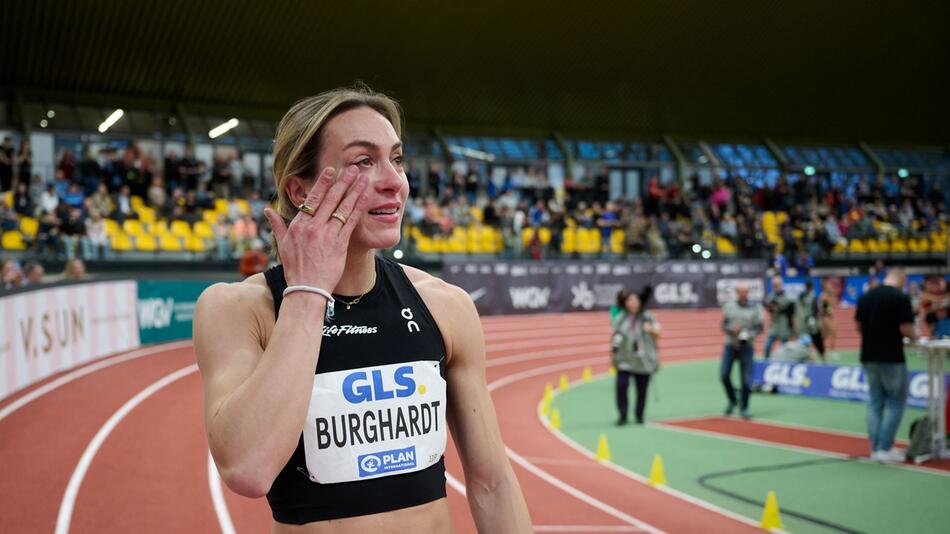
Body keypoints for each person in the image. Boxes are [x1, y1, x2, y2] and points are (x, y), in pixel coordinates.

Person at [193, 87, 531, 533]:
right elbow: (247, 469)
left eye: (397, 159)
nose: (394, 180)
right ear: (299, 189)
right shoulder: (239, 310)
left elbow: (492, 484)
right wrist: (310, 291)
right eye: (363, 162)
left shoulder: (445, 306)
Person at [855, 269, 916, 463]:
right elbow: (905, 328)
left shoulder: (866, 296)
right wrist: (917, 338)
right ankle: (885, 447)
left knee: (874, 402)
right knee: (896, 401)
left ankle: (876, 449)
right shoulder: (899, 298)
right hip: (891, 356)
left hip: (868, 355)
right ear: (902, 279)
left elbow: (858, 325)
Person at [611, 286, 660, 425]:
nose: (633, 303)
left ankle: (639, 415)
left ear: (640, 302)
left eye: (635, 300)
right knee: (621, 385)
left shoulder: (647, 317)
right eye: (630, 300)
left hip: (643, 360)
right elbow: (615, 336)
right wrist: (613, 354)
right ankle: (623, 414)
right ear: (625, 303)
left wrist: (651, 330)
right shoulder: (620, 318)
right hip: (624, 359)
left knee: (642, 390)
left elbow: (658, 333)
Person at [720, 282, 763, 418]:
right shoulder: (729, 307)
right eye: (741, 291)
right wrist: (731, 330)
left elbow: (760, 327)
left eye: (746, 291)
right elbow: (723, 324)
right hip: (731, 345)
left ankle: (744, 407)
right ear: (737, 292)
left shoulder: (755, 307)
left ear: (749, 292)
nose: (743, 294)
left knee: (746, 379)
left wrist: (750, 333)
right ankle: (733, 399)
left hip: (747, 346)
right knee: (724, 375)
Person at [763, 276, 795, 358]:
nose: (775, 287)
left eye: (777, 285)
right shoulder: (771, 295)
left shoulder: (787, 296)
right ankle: (765, 363)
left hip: (784, 326)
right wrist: (773, 306)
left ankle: (786, 363)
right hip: (774, 325)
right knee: (767, 346)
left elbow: (779, 306)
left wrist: (773, 306)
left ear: (781, 285)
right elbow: (767, 304)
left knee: (785, 348)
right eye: (774, 285)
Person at [796, 279, 826, 362]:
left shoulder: (815, 296)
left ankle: (824, 361)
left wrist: (814, 318)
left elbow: (819, 309)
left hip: (814, 324)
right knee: (807, 345)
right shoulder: (802, 296)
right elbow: (799, 309)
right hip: (806, 326)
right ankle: (814, 362)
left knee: (818, 344)